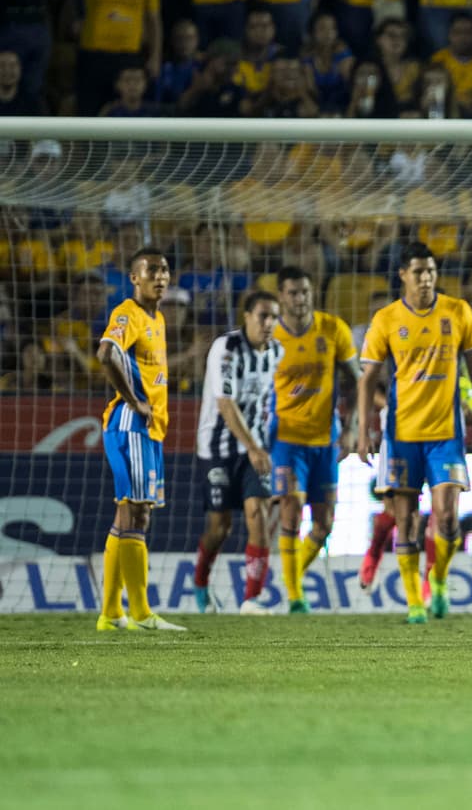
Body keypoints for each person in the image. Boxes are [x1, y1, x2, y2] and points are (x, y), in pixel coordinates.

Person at [357, 242, 472, 623]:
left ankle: (438, 580)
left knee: (447, 517)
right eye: (418, 271)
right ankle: (413, 603)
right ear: (403, 274)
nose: (426, 278)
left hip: (445, 434)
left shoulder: (457, 311)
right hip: (401, 434)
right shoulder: (386, 318)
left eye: (431, 271)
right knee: (404, 521)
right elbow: (367, 378)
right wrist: (363, 428)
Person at [93, 248, 186, 632]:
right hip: (130, 423)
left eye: (165, 270)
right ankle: (142, 614)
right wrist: (135, 401)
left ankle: (112, 613)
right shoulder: (127, 314)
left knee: (132, 512)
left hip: (149, 428)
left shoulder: (158, 318)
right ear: (134, 277)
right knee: (136, 511)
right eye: (152, 271)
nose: (161, 277)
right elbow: (105, 353)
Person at [270, 265, 362, 614]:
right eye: (293, 293)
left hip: (326, 440)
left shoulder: (332, 329)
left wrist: (352, 427)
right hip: (287, 440)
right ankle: (295, 596)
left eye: (305, 291)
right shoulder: (271, 336)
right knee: (291, 515)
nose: (300, 299)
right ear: (281, 296)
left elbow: (357, 380)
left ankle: (289, 575)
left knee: (324, 525)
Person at [192, 292, 284, 614]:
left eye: (274, 316)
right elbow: (225, 404)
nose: (269, 323)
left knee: (258, 517)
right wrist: (255, 447)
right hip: (217, 448)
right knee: (220, 527)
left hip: (253, 451)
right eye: (263, 315)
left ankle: (251, 599)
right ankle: (201, 585)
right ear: (246, 316)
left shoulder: (276, 352)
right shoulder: (226, 349)